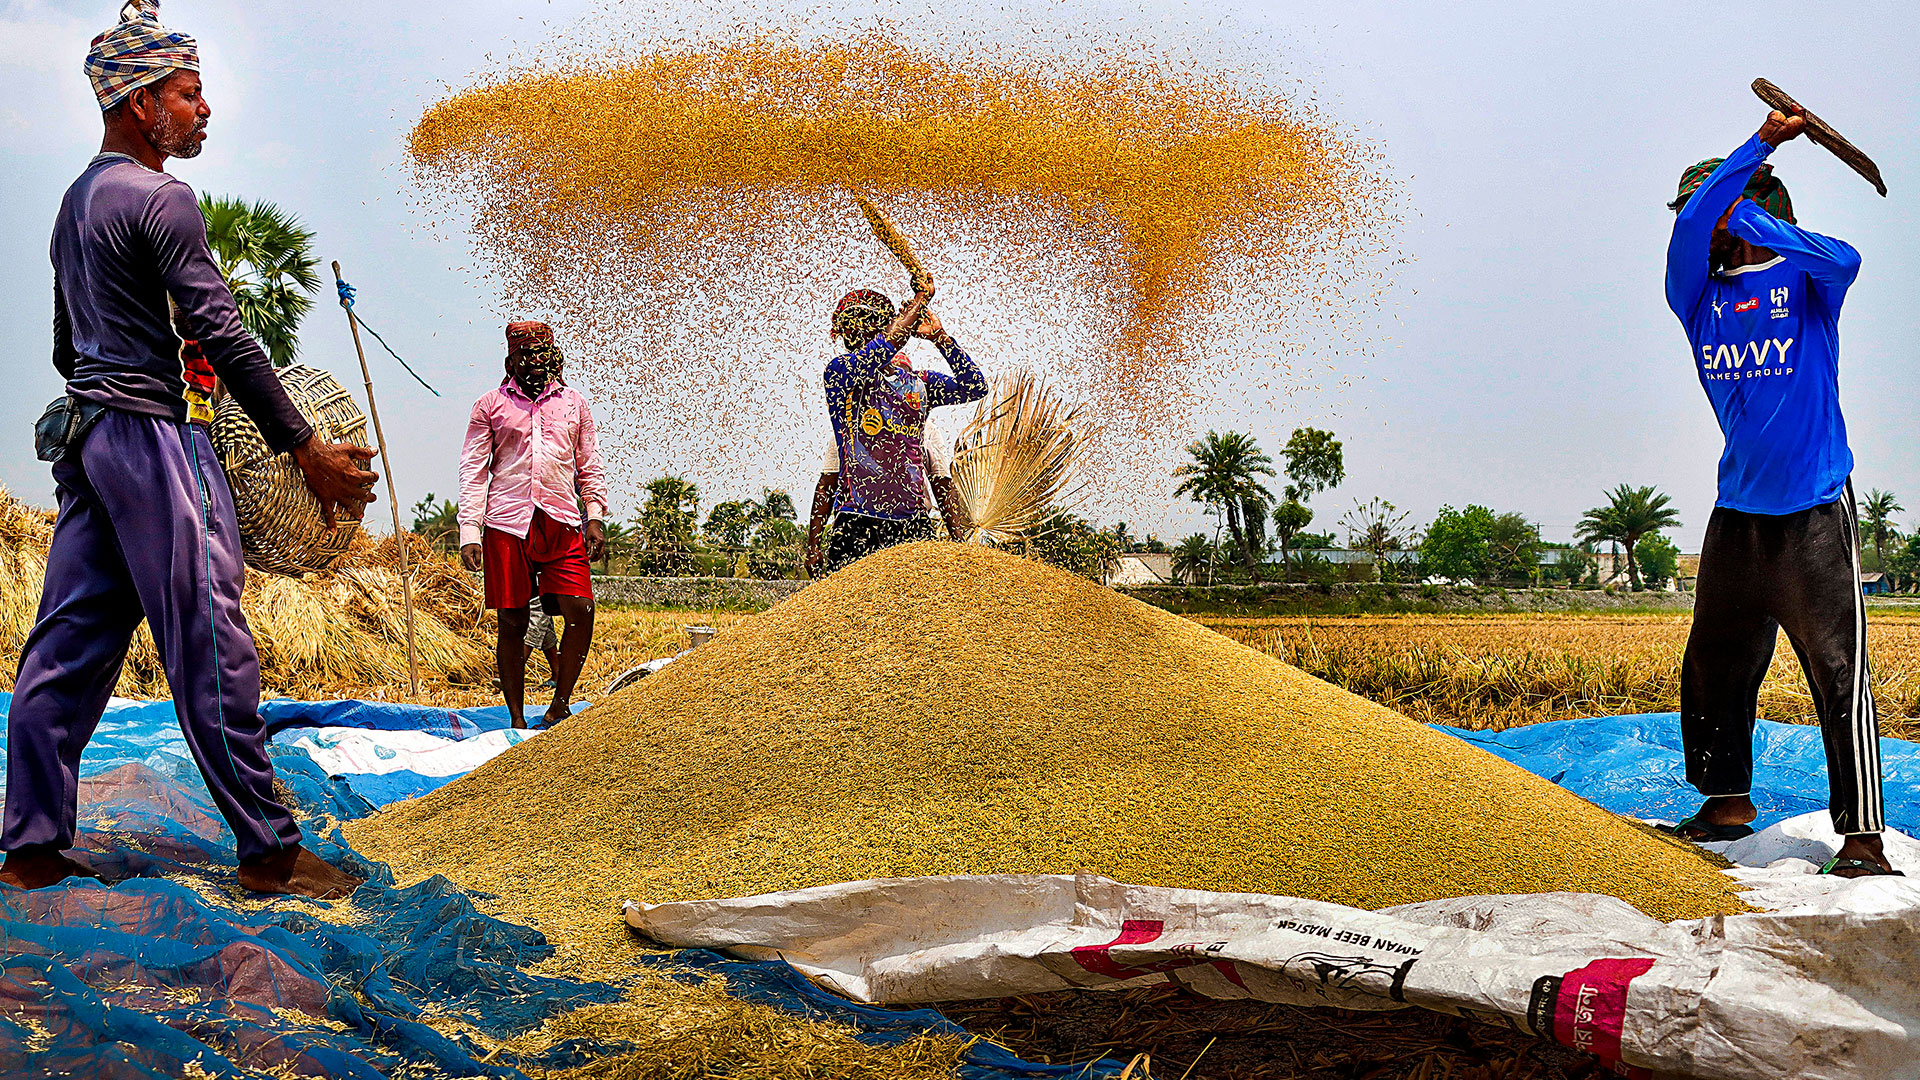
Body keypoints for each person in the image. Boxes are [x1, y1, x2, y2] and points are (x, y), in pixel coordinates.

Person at [0, 1, 377, 897]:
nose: (204, 110)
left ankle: (31, 848)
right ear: (139, 102)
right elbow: (226, 333)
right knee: (210, 636)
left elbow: (64, 345)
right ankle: (270, 849)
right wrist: (303, 447)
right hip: (158, 441)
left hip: (91, 441)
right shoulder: (162, 198)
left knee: (70, 640)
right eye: (188, 93)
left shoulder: (76, 202)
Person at [1663, 108, 1895, 877]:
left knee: (1837, 670)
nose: (1709, 232)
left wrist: (1758, 214)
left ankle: (1861, 841)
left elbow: (1847, 256)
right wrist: (1758, 143)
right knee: (1714, 664)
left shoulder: (1808, 281)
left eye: (1726, 218)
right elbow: (1692, 227)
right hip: (1738, 516)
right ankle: (1726, 802)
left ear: (1760, 212)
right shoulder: (1696, 295)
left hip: (1815, 510)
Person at [458, 324, 607, 728]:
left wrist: (594, 514)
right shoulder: (489, 405)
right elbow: (473, 470)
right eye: (526, 355)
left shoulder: (574, 403)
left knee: (582, 608)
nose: (536, 362)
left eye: (543, 354)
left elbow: (588, 464)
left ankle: (560, 705)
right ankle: (517, 719)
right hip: (506, 521)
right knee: (512, 620)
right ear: (510, 362)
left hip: (560, 519)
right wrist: (470, 532)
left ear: (554, 357)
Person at [803, 285, 987, 576]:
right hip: (857, 521)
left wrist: (939, 337)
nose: (853, 333)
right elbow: (887, 345)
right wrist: (814, 545)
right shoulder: (840, 374)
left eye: (861, 323)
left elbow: (975, 386)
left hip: (912, 524)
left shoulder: (919, 383)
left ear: (881, 326)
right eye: (848, 326)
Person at [809, 415, 971, 554]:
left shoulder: (926, 430)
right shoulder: (847, 430)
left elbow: (942, 483)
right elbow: (826, 486)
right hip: (855, 527)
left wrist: (958, 540)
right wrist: (813, 548)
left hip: (911, 525)